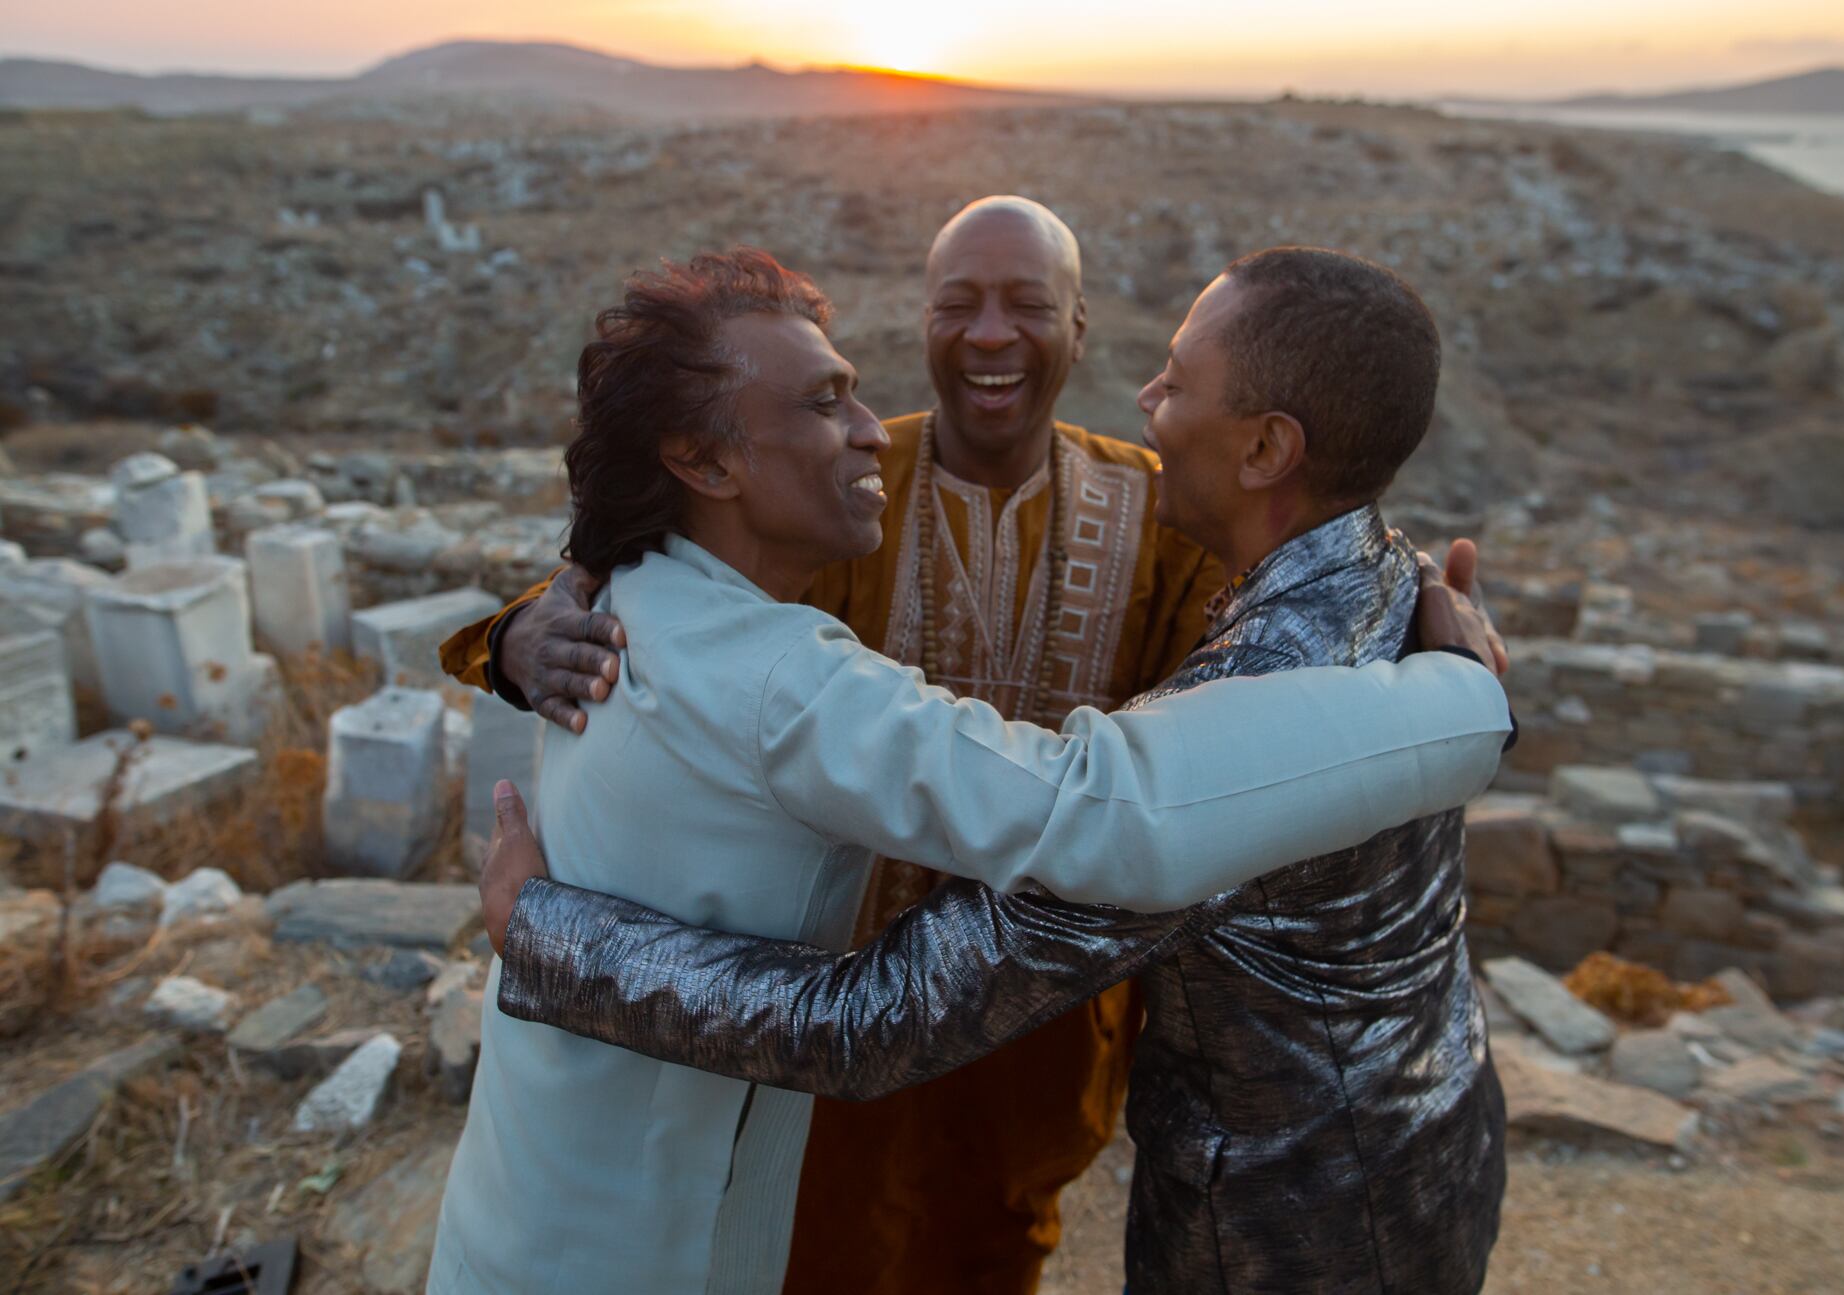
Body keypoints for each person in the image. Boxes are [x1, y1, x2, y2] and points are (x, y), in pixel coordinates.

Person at [428, 247, 1512, 1294]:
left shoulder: (1169, 532)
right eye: (957, 302)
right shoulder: (1376, 588)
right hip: (1346, 1136)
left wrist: (546, 932)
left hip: (1268, 1193)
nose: (1148, 396)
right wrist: (521, 627)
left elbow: (1112, 819)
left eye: (1174, 381)